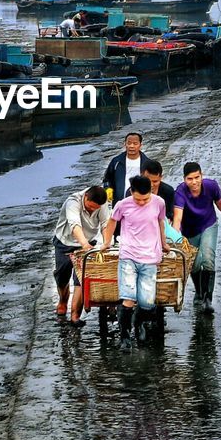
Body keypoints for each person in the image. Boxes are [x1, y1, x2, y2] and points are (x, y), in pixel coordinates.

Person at [97, 175, 168, 350]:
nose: (142, 202)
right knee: (128, 298)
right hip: (128, 255)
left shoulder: (159, 203)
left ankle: (138, 324)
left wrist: (164, 243)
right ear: (131, 192)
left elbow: (160, 222)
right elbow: (112, 221)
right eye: (138, 199)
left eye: (146, 199)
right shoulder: (123, 204)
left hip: (150, 257)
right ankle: (125, 336)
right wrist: (107, 242)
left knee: (146, 303)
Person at [172, 162, 221, 314]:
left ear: (202, 175)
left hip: (208, 224)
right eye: (190, 179)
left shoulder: (211, 186)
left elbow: (219, 202)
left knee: (207, 258)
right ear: (184, 179)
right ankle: (199, 292)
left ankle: (208, 299)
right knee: (194, 263)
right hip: (189, 231)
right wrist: (175, 237)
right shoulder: (180, 192)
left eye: (197, 177)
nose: (194, 182)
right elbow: (177, 217)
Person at [52, 185, 111, 326]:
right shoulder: (73, 202)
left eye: (95, 209)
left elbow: (105, 224)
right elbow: (75, 226)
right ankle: (62, 301)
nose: (93, 210)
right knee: (62, 276)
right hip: (65, 242)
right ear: (85, 198)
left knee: (81, 277)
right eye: (90, 208)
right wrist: (83, 244)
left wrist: (107, 243)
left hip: (88, 242)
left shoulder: (101, 205)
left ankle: (75, 315)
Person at [103, 132, 159, 204]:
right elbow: (107, 179)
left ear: (140, 145)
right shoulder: (116, 161)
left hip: (141, 202)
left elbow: (153, 183)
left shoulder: (147, 163)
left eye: (135, 143)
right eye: (129, 143)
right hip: (120, 202)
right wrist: (107, 189)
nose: (131, 146)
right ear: (125, 144)